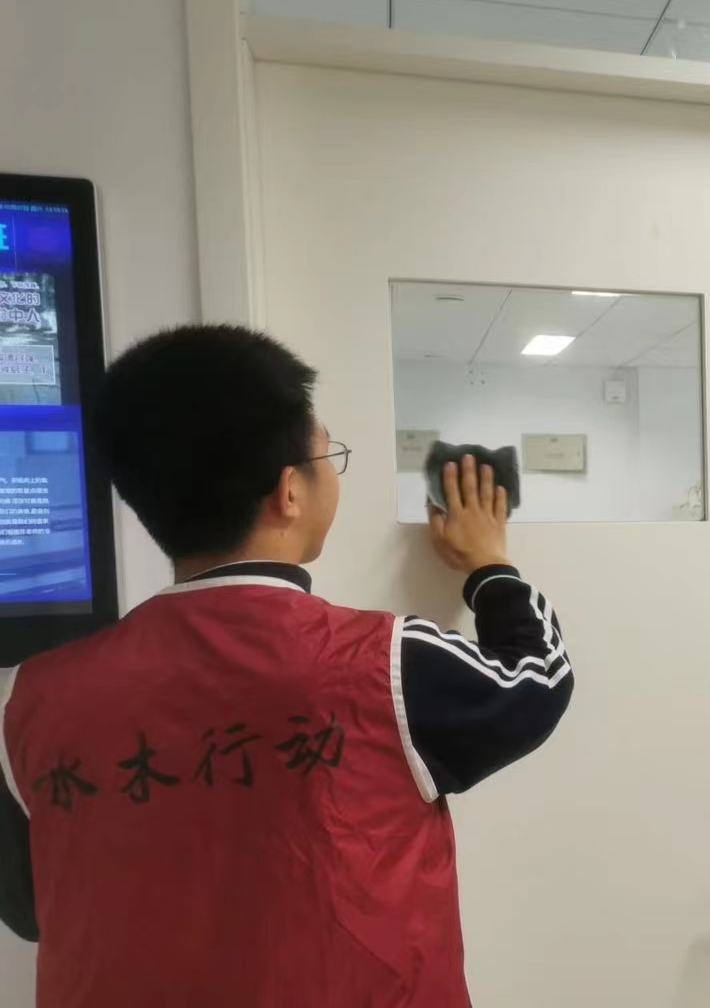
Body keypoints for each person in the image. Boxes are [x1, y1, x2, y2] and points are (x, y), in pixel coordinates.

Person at [0, 325, 574, 1006]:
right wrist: (491, 564)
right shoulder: (381, 664)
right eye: (326, 451)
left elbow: (31, 905)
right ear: (289, 491)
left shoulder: (34, 698)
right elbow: (538, 678)